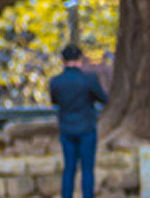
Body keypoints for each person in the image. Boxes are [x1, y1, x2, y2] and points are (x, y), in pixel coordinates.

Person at [49, 43, 108, 198]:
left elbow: (55, 101)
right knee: (87, 169)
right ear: (80, 58)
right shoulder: (89, 79)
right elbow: (103, 98)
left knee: (69, 168)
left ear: (63, 60)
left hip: (66, 128)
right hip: (87, 128)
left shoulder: (56, 82)